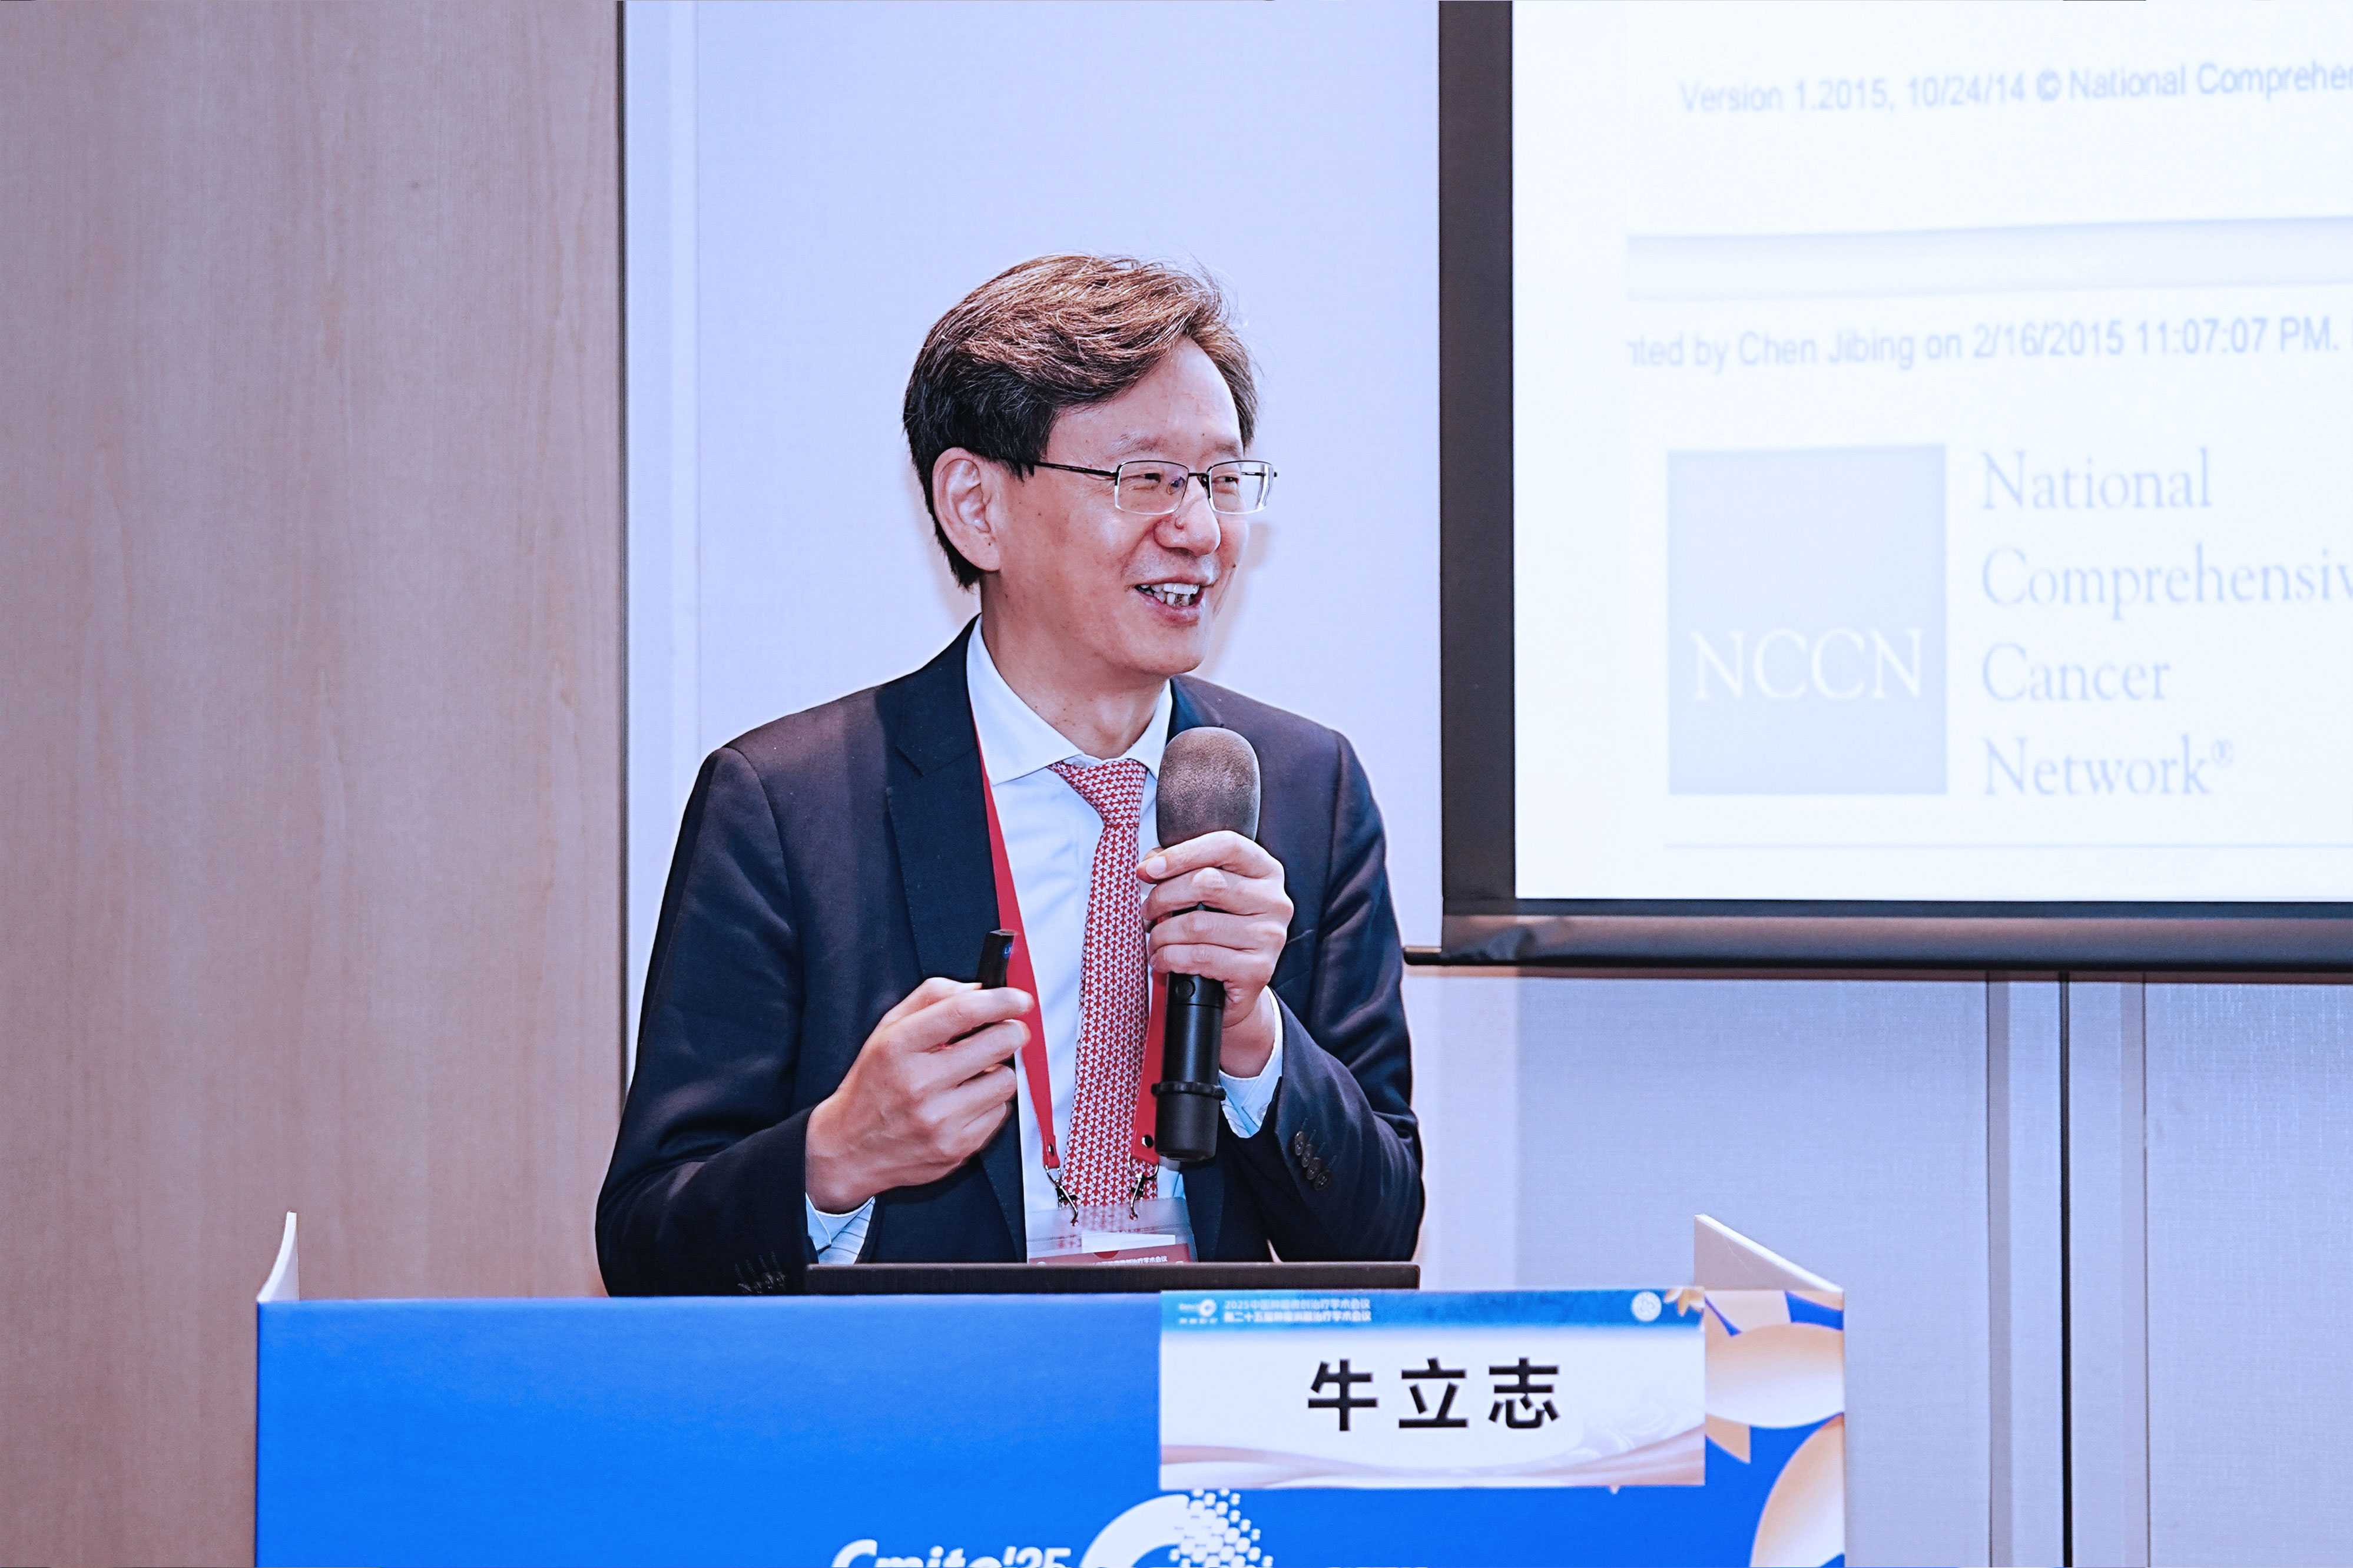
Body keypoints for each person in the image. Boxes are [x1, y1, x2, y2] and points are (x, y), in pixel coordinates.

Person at [597, 255, 1421, 1294]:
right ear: (976, 506)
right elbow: (647, 1245)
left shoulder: (1306, 787)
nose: (1201, 531)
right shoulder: (786, 808)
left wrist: (1257, 1040)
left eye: (1221, 481)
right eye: (1147, 478)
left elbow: (1380, 1232)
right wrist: (838, 1155)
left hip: (1200, 1384)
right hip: (933, 1383)